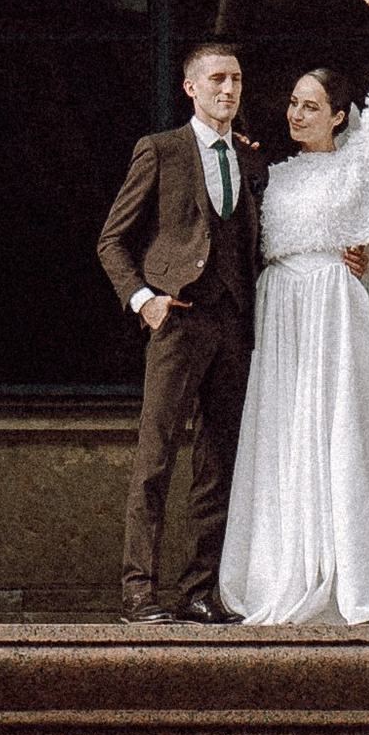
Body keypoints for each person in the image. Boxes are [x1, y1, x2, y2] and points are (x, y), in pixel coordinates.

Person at [219, 0, 369, 626]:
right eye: (293, 103)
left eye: (312, 105)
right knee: (286, 437)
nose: (297, 115)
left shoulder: (360, 164)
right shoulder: (273, 173)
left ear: (339, 115)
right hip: (282, 314)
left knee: (338, 436)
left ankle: (354, 571)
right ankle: (282, 570)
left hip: (331, 313)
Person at [97, 39, 264, 622]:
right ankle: (138, 593)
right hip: (179, 322)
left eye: (237, 80)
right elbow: (111, 240)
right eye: (217, 79)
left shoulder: (250, 158)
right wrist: (145, 300)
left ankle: (198, 591)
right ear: (191, 88)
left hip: (234, 326)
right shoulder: (161, 150)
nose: (229, 89)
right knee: (155, 459)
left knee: (218, 463)